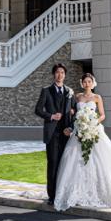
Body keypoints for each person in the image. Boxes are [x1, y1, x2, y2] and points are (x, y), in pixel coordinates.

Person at [52, 72, 111, 211]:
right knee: (76, 160)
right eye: (84, 82)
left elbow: (102, 114)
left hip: (94, 129)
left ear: (92, 83)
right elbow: (72, 113)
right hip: (79, 130)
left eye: (89, 81)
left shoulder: (97, 97)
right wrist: (75, 123)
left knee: (101, 159)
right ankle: (76, 192)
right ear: (82, 83)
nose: (87, 84)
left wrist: (93, 121)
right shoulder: (77, 97)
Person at [34, 63, 73, 206]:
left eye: (62, 72)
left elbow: (74, 110)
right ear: (54, 74)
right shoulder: (46, 91)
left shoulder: (69, 91)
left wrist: (70, 125)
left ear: (65, 75)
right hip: (52, 134)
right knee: (53, 164)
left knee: (65, 165)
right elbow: (38, 110)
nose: (60, 75)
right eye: (57, 72)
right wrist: (51, 116)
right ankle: (52, 196)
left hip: (66, 134)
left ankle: (63, 193)